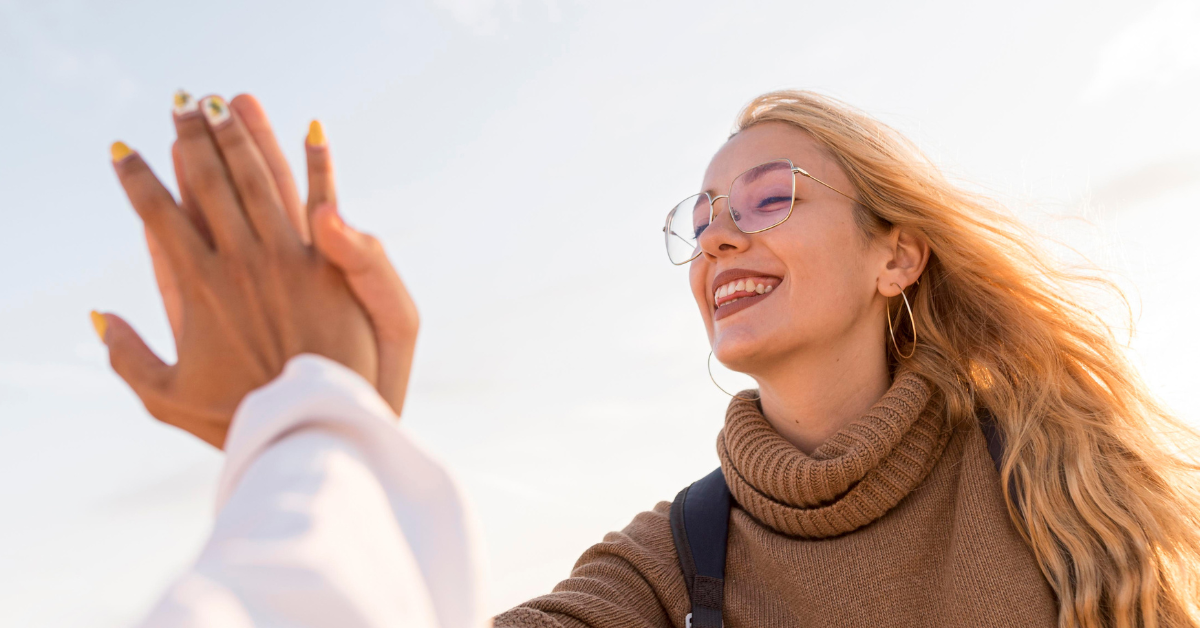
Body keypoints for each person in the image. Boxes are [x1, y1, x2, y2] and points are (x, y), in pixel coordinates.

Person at [97, 89, 1200, 627]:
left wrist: (311, 423)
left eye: (770, 198)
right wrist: (323, 420)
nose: (721, 234)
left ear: (896, 255)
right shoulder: (675, 558)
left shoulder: (1056, 474)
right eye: (706, 213)